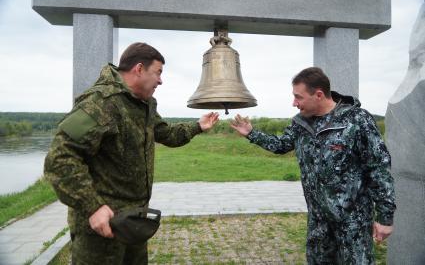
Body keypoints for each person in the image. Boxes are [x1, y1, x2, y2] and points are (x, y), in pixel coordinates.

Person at [44, 42, 219, 264]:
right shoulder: (102, 103)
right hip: (102, 228)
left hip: (134, 222)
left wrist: (198, 126)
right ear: (139, 69)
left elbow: (166, 134)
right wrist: (93, 207)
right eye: (158, 73)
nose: (160, 80)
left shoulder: (144, 104)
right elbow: (59, 158)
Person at [230, 67, 396, 264]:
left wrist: (385, 217)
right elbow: (282, 145)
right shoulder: (300, 123)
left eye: (298, 97)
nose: (294, 103)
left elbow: (379, 167)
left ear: (318, 95)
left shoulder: (357, 120)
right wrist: (251, 133)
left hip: (353, 222)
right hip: (318, 221)